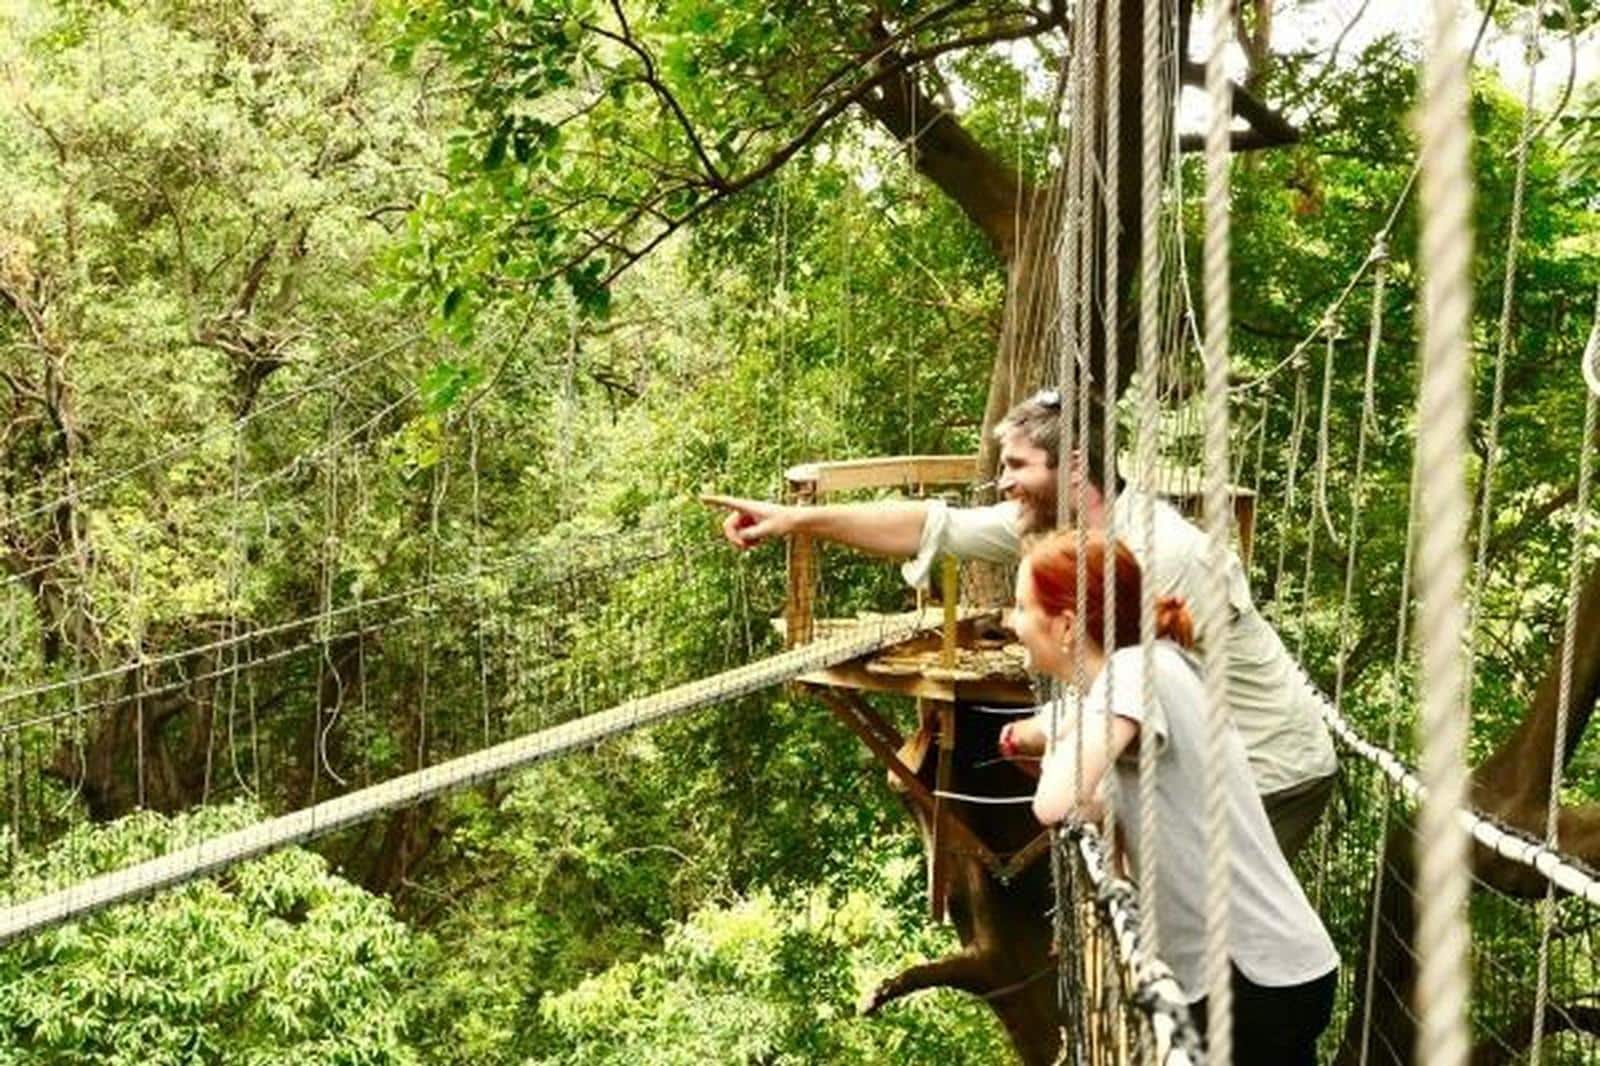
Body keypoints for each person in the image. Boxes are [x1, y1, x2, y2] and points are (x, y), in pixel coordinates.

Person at [702, 388, 1339, 859]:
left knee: (1193, 949)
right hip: (1203, 754)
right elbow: (930, 526)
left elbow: (1151, 697)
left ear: (1075, 467)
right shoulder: (1063, 529)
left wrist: (1043, 731)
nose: (1001, 481)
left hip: (1266, 769)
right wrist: (793, 520)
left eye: (1016, 466)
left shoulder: (1155, 552)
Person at [1015, 531, 1337, 1065]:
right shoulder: (1157, 664)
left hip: (1248, 979)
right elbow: (1108, 800)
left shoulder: (1132, 673)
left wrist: (1053, 745)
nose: (1012, 623)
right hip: (1268, 969)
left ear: (1067, 624)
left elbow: (1053, 803)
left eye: (1022, 607)